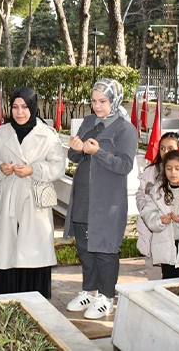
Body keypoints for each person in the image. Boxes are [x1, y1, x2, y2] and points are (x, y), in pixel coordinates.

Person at [0, 87, 65, 299]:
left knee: (32, 250)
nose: (19, 112)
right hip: (8, 195)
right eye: (15, 107)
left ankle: (33, 297)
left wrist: (34, 170)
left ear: (33, 108)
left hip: (33, 199)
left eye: (25, 107)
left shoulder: (47, 135)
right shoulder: (1, 133)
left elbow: (58, 166)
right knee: (6, 249)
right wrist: (0, 167)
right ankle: (6, 296)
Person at [64, 78, 137, 320]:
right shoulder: (88, 121)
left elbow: (125, 165)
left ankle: (106, 297)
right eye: (94, 101)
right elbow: (75, 157)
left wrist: (99, 152)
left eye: (103, 101)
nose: (97, 106)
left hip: (107, 202)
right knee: (85, 248)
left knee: (105, 250)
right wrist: (75, 147)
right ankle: (89, 291)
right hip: (84, 196)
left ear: (114, 100)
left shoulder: (125, 129)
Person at [136, 132, 179, 280]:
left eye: (170, 148)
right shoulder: (150, 172)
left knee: (176, 278)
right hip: (153, 231)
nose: (165, 152)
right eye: (162, 148)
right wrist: (149, 212)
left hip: (178, 234)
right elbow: (140, 195)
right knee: (154, 277)